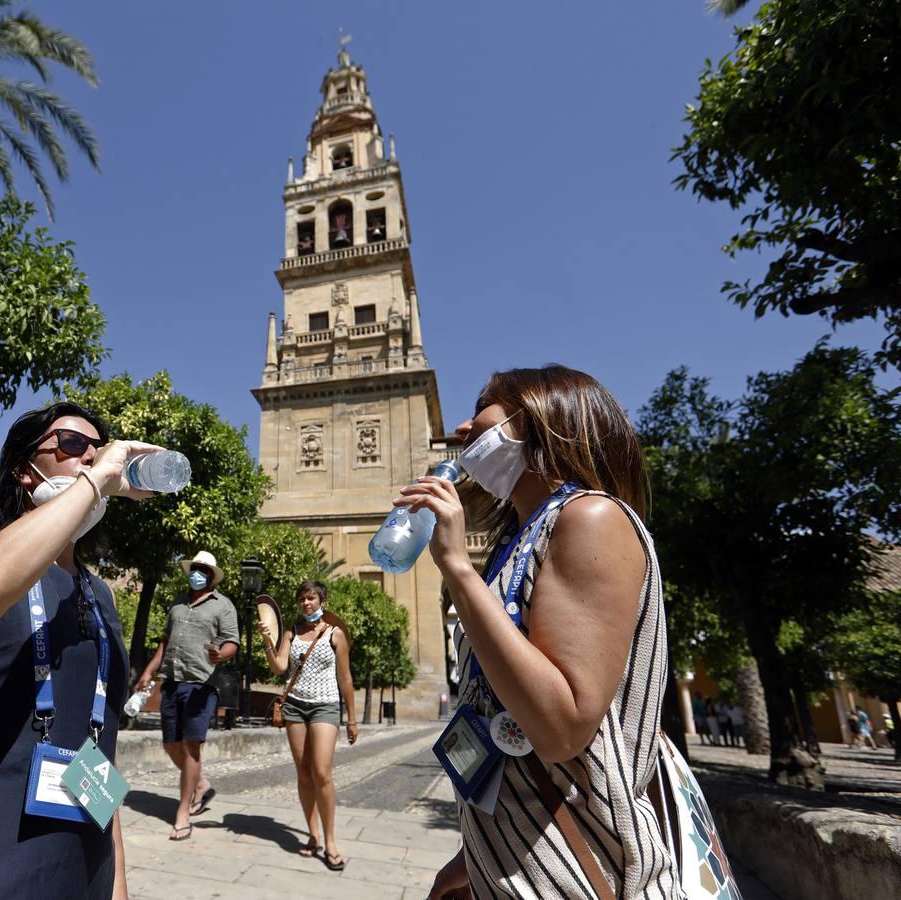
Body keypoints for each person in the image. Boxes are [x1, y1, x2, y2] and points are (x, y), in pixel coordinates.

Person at [418, 365, 677, 900]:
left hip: (579, 874)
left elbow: (562, 728)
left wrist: (456, 567)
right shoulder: (523, 537)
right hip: (518, 859)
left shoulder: (592, 519)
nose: (463, 428)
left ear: (541, 414)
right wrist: (473, 857)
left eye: (485, 406)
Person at [0, 402, 160, 900]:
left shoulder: (97, 592)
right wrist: (96, 480)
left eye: (98, 449)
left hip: (77, 856)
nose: (91, 458)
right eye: (73, 445)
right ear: (23, 469)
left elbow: (95, 744)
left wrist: (116, 876)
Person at [133, 550, 240, 841]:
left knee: (192, 746)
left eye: (203, 570)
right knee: (170, 745)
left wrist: (221, 654)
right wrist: (148, 672)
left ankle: (183, 813)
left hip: (202, 684)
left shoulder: (223, 606)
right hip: (172, 682)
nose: (197, 574)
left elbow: (232, 642)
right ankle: (201, 783)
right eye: (194, 568)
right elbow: (165, 643)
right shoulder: (178, 604)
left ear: (210, 576)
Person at [258, 579, 359, 871]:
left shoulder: (335, 634)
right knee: (303, 773)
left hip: (325, 706)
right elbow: (279, 667)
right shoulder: (291, 631)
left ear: (322, 601)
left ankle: (330, 840)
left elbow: (346, 679)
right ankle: (312, 834)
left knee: (322, 772)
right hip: (295, 707)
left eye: (312, 598)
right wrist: (268, 640)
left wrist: (351, 719)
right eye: (302, 599)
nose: (306, 603)